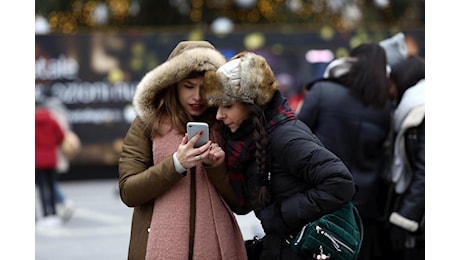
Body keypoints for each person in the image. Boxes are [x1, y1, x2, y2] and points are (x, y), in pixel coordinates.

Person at [202, 51, 356, 259]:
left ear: (252, 104)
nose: (220, 115)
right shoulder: (251, 141)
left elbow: (340, 182)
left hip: (304, 248)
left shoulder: (285, 137)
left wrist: (283, 215)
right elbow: (243, 203)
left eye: (228, 105)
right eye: (217, 106)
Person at [118, 41, 247, 260]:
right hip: (158, 247)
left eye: (205, 87)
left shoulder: (225, 122)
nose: (197, 96)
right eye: (188, 86)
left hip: (217, 247)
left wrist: (215, 168)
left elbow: (242, 203)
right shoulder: (147, 122)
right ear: (173, 84)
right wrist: (176, 163)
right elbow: (129, 192)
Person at [296, 43, 394, 260]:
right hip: (364, 202)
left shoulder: (322, 91)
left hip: (319, 193)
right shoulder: (384, 106)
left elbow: (296, 136)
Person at [384, 56, 425, 260]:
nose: (390, 91)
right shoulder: (409, 112)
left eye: (392, 84)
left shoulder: (422, 114)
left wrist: (404, 218)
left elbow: (426, 173)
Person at [44, 96, 79, 222]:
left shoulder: (52, 117)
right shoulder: (61, 115)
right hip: (56, 153)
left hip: (51, 153)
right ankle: (60, 204)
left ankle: (64, 202)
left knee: (49, 182)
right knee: (49, 181)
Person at [35, 102, 66, 228]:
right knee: (52, 186)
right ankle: (53, 214)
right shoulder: (52, 119)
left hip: (37, 159)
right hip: (51, 158)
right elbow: (62, 135)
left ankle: (45, 215)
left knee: (42, 188)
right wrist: (54, 143)